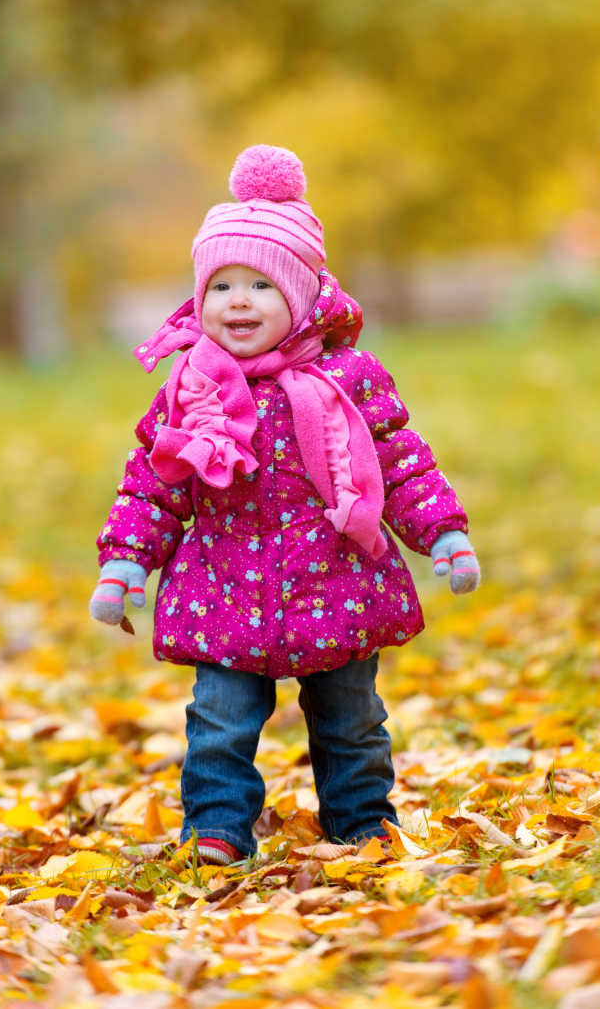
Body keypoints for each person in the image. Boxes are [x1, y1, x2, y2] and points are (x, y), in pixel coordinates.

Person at [90, 145, 480, 865]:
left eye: (261, 286)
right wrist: (124, 563)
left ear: (302, 297)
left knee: (351, 718)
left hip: (335, 577)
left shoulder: (348, 379)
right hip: (223, 590)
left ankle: (363, 822)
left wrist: (444, 534)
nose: (237, 302)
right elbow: (153, 481)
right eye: (221, 286)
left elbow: (399, 460)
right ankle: (216, 829)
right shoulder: (192, 388)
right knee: (218, 723)